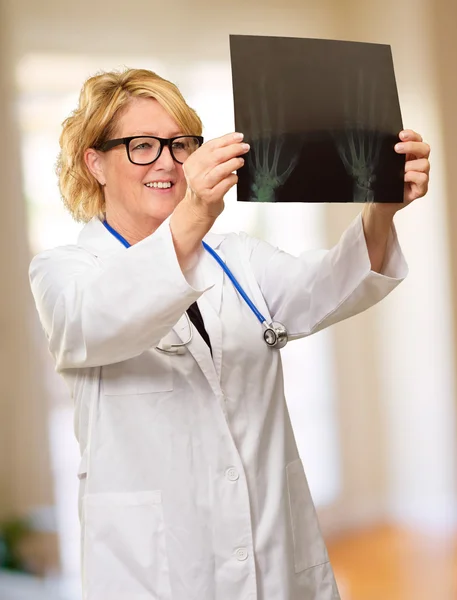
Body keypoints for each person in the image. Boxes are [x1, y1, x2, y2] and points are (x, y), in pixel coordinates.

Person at [29, 68, 430, 600]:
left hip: (274, 562)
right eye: (142, 146)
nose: (168, 162)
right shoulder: (64, 271)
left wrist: (381, 208)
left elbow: (333, 284)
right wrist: (196, 211)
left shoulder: (237, 258)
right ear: (94, 162)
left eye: (180, 144)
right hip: (156, 577)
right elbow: (97, 319)